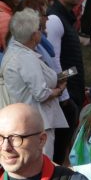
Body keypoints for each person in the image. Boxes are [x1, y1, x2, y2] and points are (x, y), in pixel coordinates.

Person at [0, 8, 67, 159]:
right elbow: (41, 93)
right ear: (33, 35)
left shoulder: (17, 52)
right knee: (40, 165)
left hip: (28, 121)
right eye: (39, 29)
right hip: (37, 123)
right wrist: (59, 90)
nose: (42, 31)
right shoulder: (25, 58)